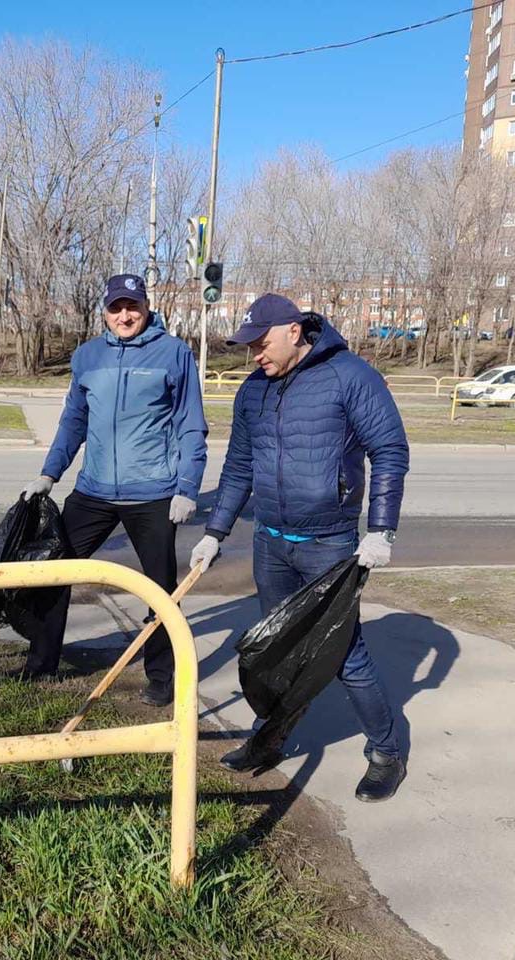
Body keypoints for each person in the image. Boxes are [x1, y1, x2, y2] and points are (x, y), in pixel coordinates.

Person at [190, 293, 410, 802]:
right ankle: (269, 741)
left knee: (344, 655)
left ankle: (385, 752)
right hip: (270, 543)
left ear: (294, 331)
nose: (255, 356)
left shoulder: (350, 376)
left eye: (261, 344)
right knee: (276, 652)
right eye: (249, 347)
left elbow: (390, 450)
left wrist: (381, 530)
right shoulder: (252, 391)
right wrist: (214, 533)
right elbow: (239, 467)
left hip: (329, 544)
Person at [21, 273, 207, 706]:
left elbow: (190, 425)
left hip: (154, 494)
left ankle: (161, 677)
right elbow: (73, 421)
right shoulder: (87, 357)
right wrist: (50, 473)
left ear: (146, 308)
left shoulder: (174, 354)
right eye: (116, 307)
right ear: (104, 312)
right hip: (93, 493)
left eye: (133, 307)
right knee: (55, 572)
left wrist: (188, 487)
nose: (125, 315)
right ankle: (41, 663)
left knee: (160, 590)